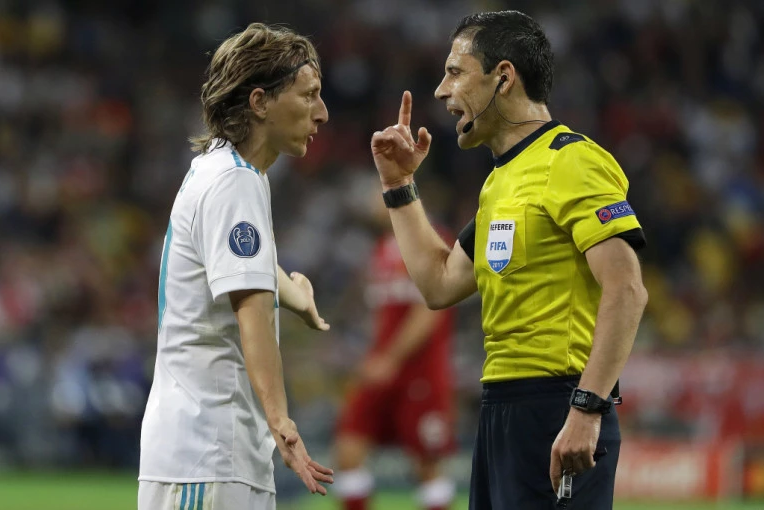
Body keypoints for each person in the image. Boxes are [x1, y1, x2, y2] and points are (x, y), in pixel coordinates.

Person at [371, 10, 648, 510]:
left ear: (503, 77)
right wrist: (398, 185)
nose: (441, 90)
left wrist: (587, 408)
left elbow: (627, 288)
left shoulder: (572, 159)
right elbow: (439, 284)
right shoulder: (500, 182)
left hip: (559, 405)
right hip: (501, 406)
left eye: (455, 72)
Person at [138, 23, 333, 510]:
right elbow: (252, 308)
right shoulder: (235, 182)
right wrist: (280, 418)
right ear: (260, 102)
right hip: (206, 450)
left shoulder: (225, 170)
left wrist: (297, 295)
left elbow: (248, 265)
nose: (322, 112)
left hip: (214, 452)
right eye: (308, 95)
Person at [333, 191, 457, 510]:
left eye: (377, 192)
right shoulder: (380, 249)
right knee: (348, 449)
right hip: (380, 368)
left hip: (420, 371)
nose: (371, 200)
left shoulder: (431, 239)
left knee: (426, 466)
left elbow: (430, 312)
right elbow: (383, 316)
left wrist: (390, 358)